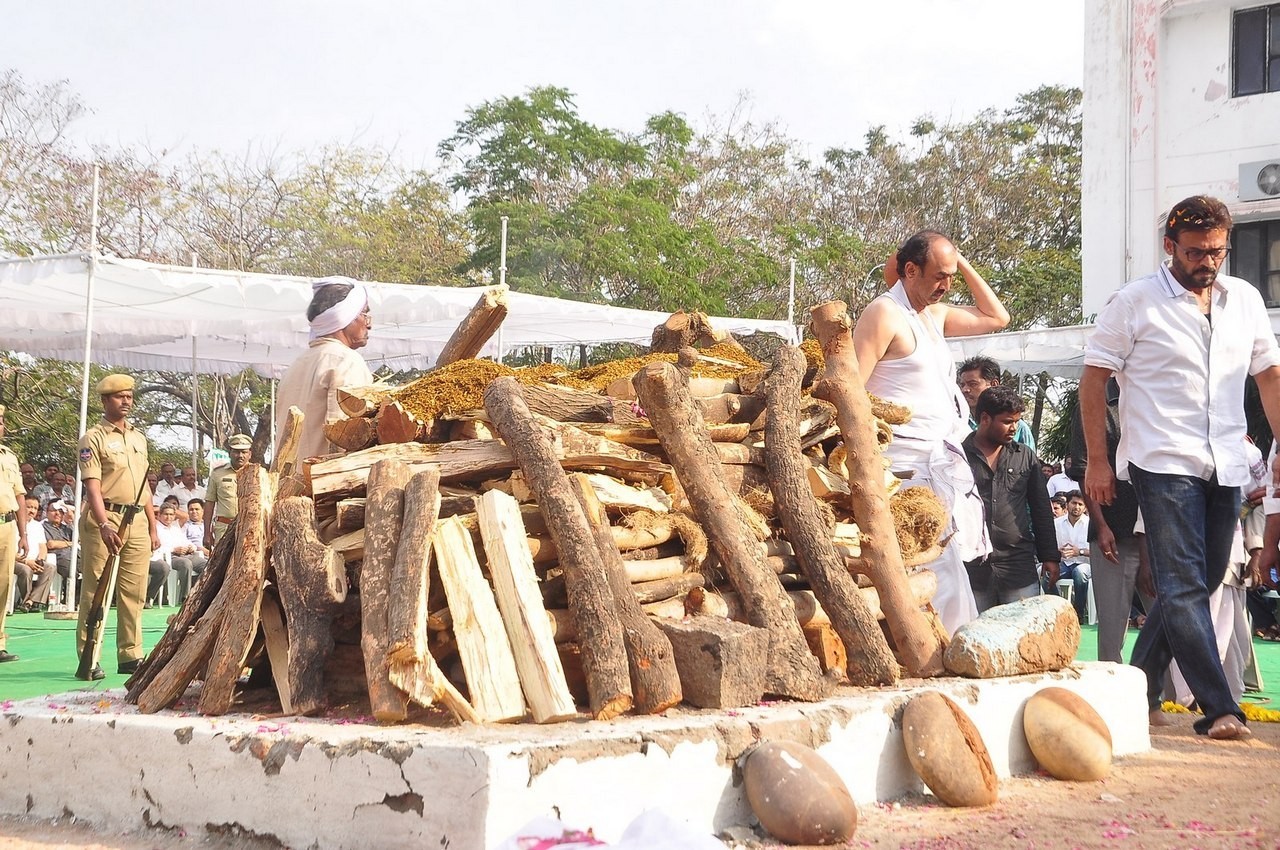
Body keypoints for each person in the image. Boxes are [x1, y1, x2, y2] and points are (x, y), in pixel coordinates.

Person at [1082, 195, 1280, 741]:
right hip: (1161, 458)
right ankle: (1219, 707)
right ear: (1169, 246)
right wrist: (1099, 460)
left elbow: (1268, 376)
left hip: (1227, 460)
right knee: (1184, 584)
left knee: (1205, 579)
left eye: (1217, 251)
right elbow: (1094, 378)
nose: (1207, 262)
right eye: (1195, 252)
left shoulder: (1244, 299)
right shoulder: (1134, 301)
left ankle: (1138, 686)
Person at [853, 230, 1011, 633]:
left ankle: (947, 649)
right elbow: (850, 390)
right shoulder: (884, 313)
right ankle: (943, 652)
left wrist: (956, 260)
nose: (946, 285)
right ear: (909, 270)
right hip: (900, 465)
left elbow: (997, 317)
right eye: (939, 276)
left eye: (951, 277)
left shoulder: (933, 315)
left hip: (939, 462)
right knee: (933, 569)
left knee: (946, 566)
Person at [75, 374, 160, 681]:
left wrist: (153, 526)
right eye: (119, 397)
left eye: (129, 396)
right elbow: (92, 488)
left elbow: (144, 488)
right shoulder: (93, 438)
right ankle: (89, 655)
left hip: (136, 518)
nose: (126, 401)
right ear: (104, 401)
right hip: (106, 517)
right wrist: (102, 525)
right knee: (96, 589)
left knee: (133, 592)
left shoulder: (138, 438)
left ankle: (130, 654)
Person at [1069, 376, 1154, 663]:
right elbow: (1084, 470)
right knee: (1112, 622)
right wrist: (1101, 525)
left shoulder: (1154, 394)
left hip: (1158, 532)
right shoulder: (1095, 400)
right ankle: (1112, 687)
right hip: (1113, 532)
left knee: (1167, 618)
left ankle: (1172, 698)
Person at [961, 386, 1058, 611]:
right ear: (985, 418)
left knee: (1025, 639)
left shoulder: (1024, 456)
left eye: (1017, 421)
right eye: (1007, 421)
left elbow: (1041, 508)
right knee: (974, 639)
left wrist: (1050, 556)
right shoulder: (958, 455)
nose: (1014, 428)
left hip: (1018, 565)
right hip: (972, 567)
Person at [275, 277, 374, 465]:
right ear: (346, 317)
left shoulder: (295, 365)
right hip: (323, 486)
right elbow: (344, 438)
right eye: (364, 314)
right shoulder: (347, 362)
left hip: (287, 485)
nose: (369, 324)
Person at [0, 404, 30, 663]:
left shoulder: (9, 456)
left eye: (1, 420)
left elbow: (19, 495)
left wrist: (23, 533)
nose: (1, 425)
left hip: (7, 525)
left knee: (4, 583)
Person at [957, 356, 1036, 451]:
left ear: (994, 385)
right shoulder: (956, 423)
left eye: (973, 384)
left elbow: (1028, 463)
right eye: (962, 385)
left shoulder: (1019, 429)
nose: (965, 390)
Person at [205, 434, 252, 549]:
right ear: (229, 453)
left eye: (244, 452)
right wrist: (206, 532)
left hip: (250, 528)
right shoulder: (217, 473)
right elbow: (209, 503)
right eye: (236, 452)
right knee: (221, 564)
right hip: (224, 527)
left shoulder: (258, 474)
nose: (240, 456)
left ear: (250, 454)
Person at [1054, 490, 1092, 621]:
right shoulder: (1056, 523)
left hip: (1085, 564)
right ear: (1067, 504)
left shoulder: (1090, 524)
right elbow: (1050, 546)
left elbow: (1098, 552)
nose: (1077, 507)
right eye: (1074, 503)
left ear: (1085, 507)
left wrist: (1079, 552)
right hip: (1064, 563)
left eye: (1081, 504)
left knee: (1079, 572)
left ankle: (1078, 613)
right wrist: (1057, 551)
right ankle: (1058, 612)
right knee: (1047, 575)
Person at [12, 496, 49, 607]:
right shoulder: (12, 523)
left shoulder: (38, 526)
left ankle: (30, 602)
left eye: (35, 508)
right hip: (16, 561)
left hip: (34, 561)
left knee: (50, 568)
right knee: (25, 570)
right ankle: (27, 600)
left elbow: (43, 547)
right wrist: (27, 561)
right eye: (29, 507)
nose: (32, 510)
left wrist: (40, 560)